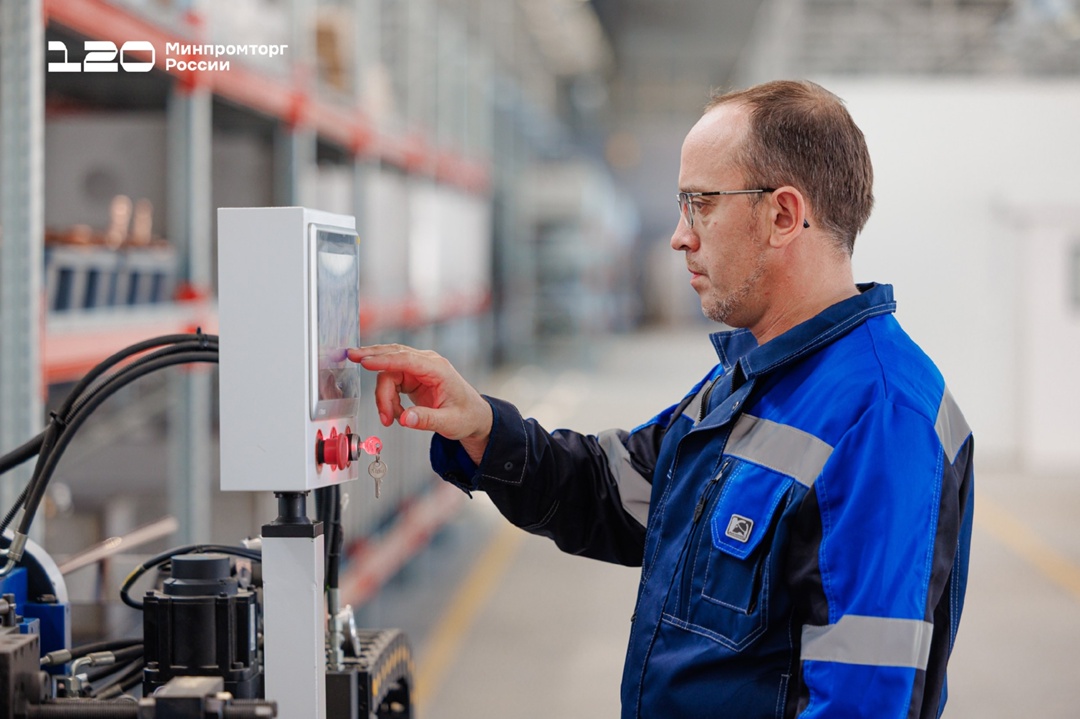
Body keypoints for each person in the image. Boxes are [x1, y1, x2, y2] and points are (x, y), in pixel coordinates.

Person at [348, 80, 974, 719]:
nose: (679, 236)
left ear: (784, 215)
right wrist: (482, 427)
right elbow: (615, 492)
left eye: (700, 204)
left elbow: (863, 703)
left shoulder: (882, 417)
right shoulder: (751, 378)